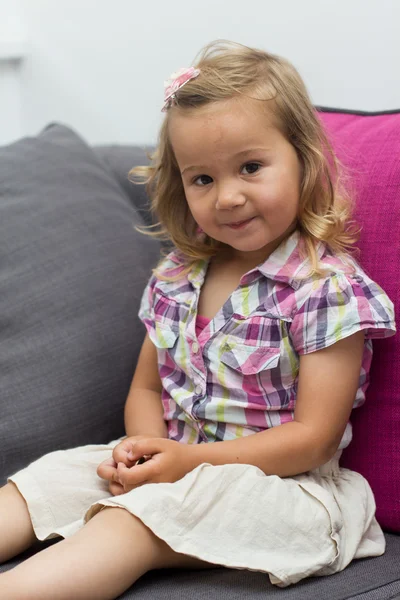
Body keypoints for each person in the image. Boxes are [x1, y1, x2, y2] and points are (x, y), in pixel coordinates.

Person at [0, 40, 396, 600]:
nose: (228, 197)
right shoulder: (178, 276)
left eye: (251, 167)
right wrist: (143, 448)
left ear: (305, 161)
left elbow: (311, 439)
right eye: (202, 179)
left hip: (289, 492)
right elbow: (145, 385)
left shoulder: (325, 290)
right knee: (49, 478)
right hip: (180, 464)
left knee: (134, 521)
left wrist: (184, 465)